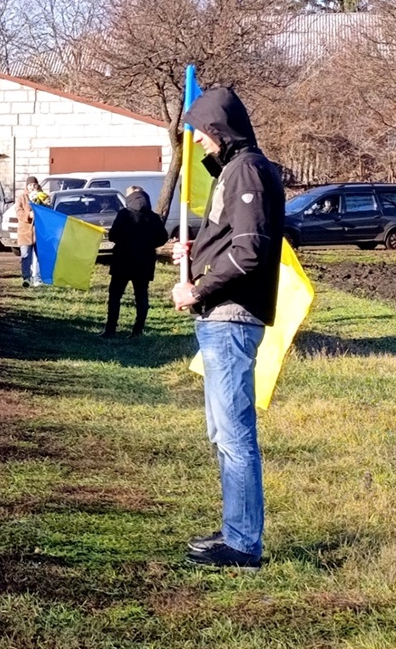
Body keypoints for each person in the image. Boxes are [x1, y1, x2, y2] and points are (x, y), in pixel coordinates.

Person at [171, 86, 284, 571]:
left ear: (220, 128)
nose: (195, 142)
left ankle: (243, 543)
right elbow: (231, 244)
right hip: (222, 318)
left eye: (199, 131)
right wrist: (194, 254)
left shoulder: (248, 172)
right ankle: (236, 527)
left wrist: (197, 290)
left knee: (235, 434)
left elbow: (249, 251)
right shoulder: (236, 172)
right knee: (223, 432)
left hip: (232, 318)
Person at [101, 186, 168, 339]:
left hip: (122, 261)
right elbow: (163, 237)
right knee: (141, 296)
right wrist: (148, 245)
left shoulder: (124, 214)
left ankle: (110, 329)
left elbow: (113, 235)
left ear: (130, 197)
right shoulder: (153, 217)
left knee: (115, 295)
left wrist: (125, 242)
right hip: (144, 262)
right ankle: (137, 331)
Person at [15, 176, 46, 287]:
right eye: (30, 185)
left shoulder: (43, 196)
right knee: (26, 256)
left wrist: (42, 204)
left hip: (39, 232)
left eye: (34, 185)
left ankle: (37, 278)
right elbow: (18, 212)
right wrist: (29, 215)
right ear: (26, 186)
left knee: (39, 257)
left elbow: (48, 209)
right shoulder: (21, 197)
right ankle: (26, 278)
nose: (32, 187)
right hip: (25, 232)